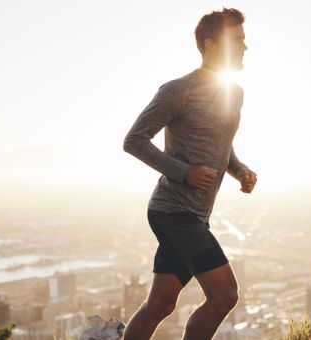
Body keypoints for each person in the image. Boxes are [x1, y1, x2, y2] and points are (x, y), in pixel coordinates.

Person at [122, 7, 257, 340]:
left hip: (195, 215)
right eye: (236, 39)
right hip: (172, 211)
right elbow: (134, 140)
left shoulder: (234, 93)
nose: (245, 46)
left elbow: (222, 145)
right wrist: (184, 172)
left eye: (244, 39)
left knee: (161, 304)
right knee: (224, 295)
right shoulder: (177, 91)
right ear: (210, 44)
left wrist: (239, 170)